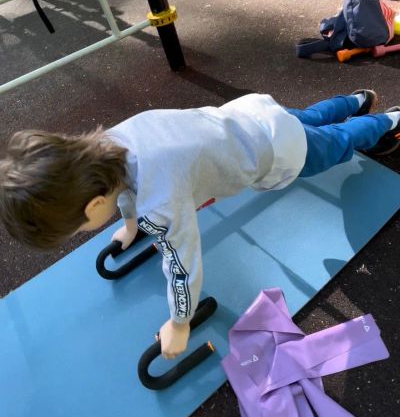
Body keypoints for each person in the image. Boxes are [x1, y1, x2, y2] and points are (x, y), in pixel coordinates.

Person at [0, 90, 399, 359]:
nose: (81, 233)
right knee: (307, 118)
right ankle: (356, 98)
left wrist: (179, 323)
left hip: (274, 150)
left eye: (77, 229)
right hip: (249, 114)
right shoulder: (109, 144)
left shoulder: (159, 203)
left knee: (337, 142)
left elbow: (183, 266)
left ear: (93, 205)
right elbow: (116, 185)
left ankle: (387, 120)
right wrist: (129, 224)